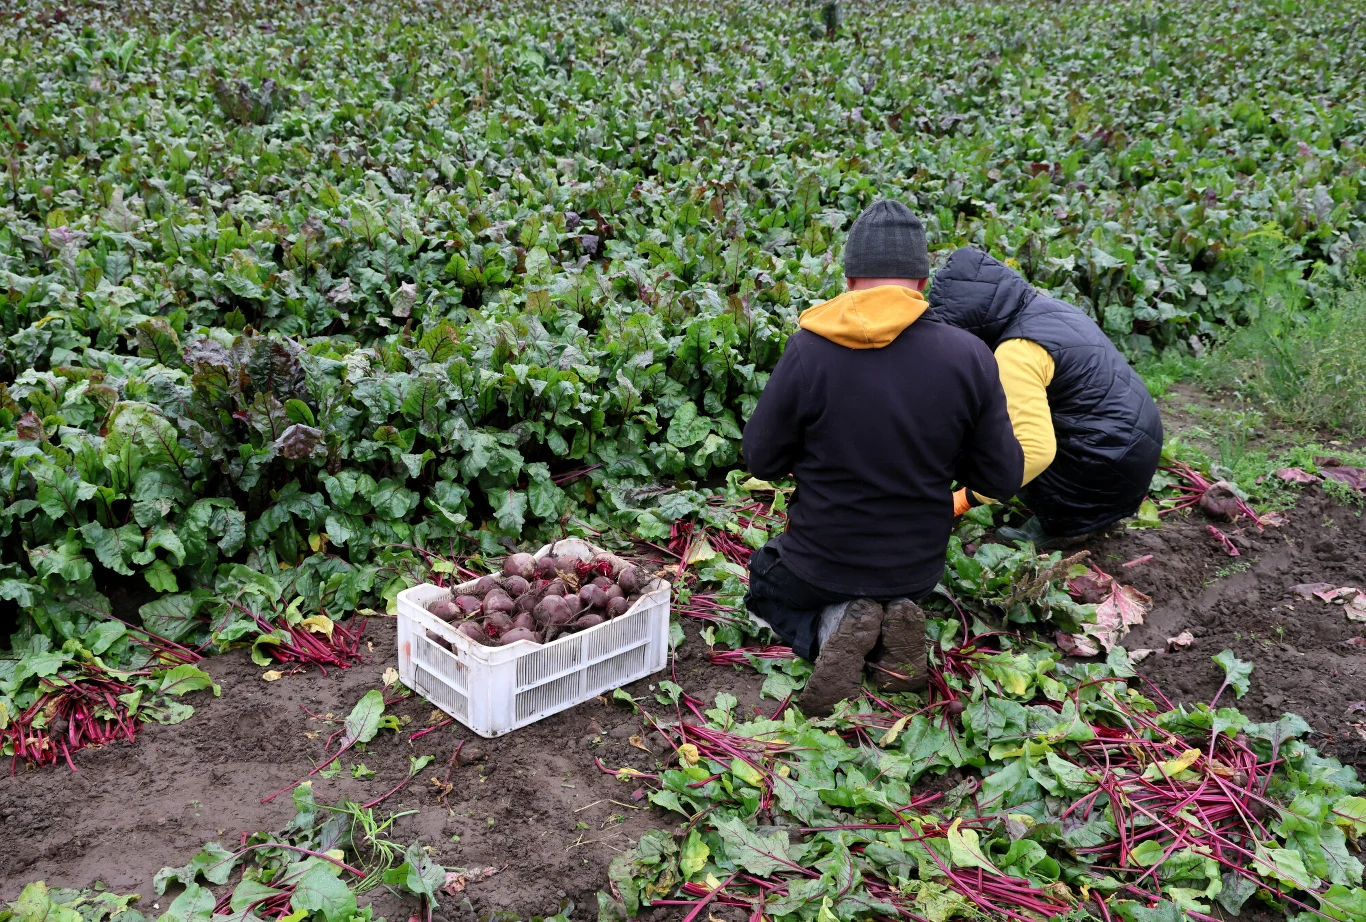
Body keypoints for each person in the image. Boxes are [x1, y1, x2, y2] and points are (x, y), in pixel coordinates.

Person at [741, 201, 1024, 716]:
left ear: (849, 278)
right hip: (916, 569)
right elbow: (1002, 477)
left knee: (764, 580)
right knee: (886, 587)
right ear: (921, 280)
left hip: (818, 565)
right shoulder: (970, 356)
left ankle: (835, 628)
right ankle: (891, 625)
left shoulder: (810, 349)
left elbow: (760, 459)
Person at [928, 248, 1163, 546]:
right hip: (1134, 448)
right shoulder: (1048, 309)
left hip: (1107, 463)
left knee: (1004, 448)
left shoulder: (1016, 350)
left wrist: (967, 497)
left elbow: (1035, 450)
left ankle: (1067, 523)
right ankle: (1096, 505)